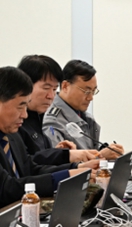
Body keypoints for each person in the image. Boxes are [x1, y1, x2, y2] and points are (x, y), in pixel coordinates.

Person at [0, 66, 91, 207]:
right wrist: (64, 176)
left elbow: (31, 169)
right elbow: (7, 188)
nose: (24, 115)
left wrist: (75, 169)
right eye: (20, 107)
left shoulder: (12, 136)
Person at [17, 55, 100, 167]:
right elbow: (26, 166)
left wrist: (59, 154)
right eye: (46, 88)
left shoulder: (40, 117)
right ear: (26, 85)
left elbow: (40, 165)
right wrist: (66, 157)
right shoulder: (15, 123)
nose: (51, 96)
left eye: (54, 89)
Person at [43, 60, 124, 160]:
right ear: (65, 86)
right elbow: (56, 162)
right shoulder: (53, 121)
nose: (90, 97)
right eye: (86, 91)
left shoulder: (85, 116)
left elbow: (88, 148)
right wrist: (100, 156)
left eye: (93, 91)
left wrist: (106, 151)